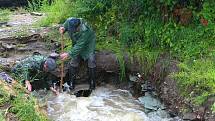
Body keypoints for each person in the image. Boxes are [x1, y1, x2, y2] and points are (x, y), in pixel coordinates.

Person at [59, 17, 96, 90]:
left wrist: (68, 54)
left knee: (91, 60)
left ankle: (92, 82)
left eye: (74, 30)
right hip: (76, 44)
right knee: (73, 61)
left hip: (88, 45)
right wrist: (62, 28)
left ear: (78, 26)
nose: (72, 32)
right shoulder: (69, 21)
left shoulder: (86, 30)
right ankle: (71, 83)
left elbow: (79, 46)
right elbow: (64, 26)